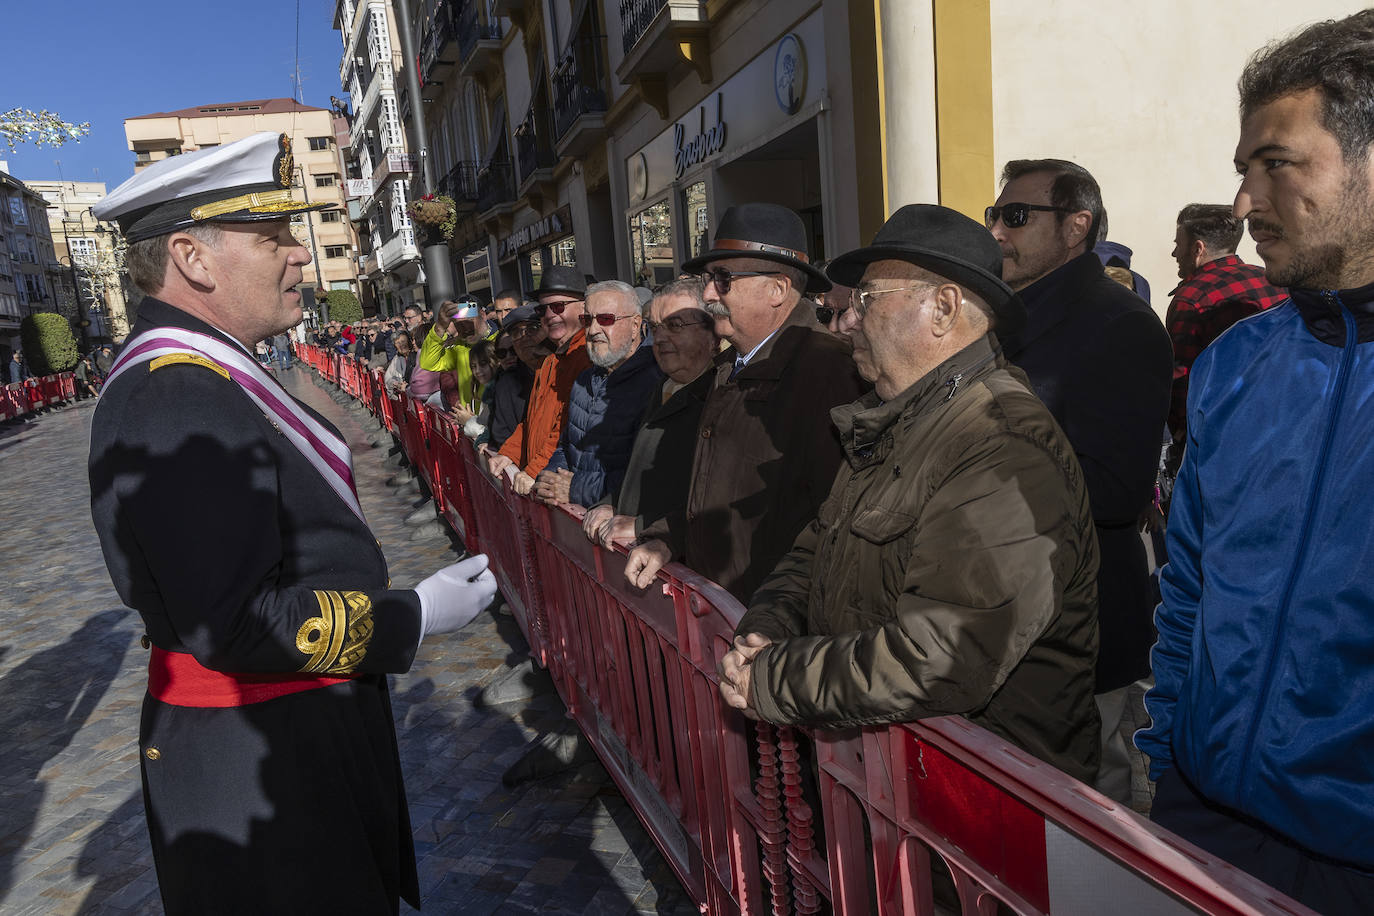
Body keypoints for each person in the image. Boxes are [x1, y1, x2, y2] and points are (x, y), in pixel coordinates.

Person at [86, 131, 498, 915]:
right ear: (192, 258)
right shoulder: (177, 395)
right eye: (271, 238)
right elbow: (238, 622)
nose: (299, 256)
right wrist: (410, 617)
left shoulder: (206, 375)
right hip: (257, 759)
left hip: (288, 732)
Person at [717, 205, 1100, 783]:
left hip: (984, 807)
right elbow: (814, 553)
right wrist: (768, 626)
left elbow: (944, 654)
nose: (845, 322)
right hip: (899, 786)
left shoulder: (1003, 442)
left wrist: (776, 677)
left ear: (943, 308)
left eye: (866, 300)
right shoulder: (890, 423)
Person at [1138, 13, 1374, 913]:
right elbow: (1191, 588)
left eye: (1278, 163)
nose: (1244, 203)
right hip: (1206, 823)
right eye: (1244, 170)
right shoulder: (1239, 360)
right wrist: (1165, 771)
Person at [987, 158, 1171, 804]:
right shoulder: (1004, 318)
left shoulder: (1119, 324)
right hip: (1004, 630)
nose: (998, 232)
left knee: (1090, 839)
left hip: (1079, 636)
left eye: (1015, 216)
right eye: (994, 215)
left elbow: (1115, 491)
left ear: (1076, 226)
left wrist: (971, 483)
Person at [625, 203, 867, 603]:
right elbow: (721, 497)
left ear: (777, 290)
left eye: (723, 279)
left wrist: (779, 622)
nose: (707, 294)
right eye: (708, 279)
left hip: (769, 633)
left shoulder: (828, 372)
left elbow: (834, 524)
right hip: (723, 617)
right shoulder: (728, 366)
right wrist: (668, 538)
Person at [582, 277, 717, 548]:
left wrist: (645, 526)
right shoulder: (663, 388)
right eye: (655, 327)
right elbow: (640, 477)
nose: (661, 337)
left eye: (675, 325)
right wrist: (611, 504)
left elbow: (714, 502)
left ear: (713, 333)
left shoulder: (719, 398)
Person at [536, 281, 664, 508]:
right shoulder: (584, 381)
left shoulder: (656, 386)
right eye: (588, 320)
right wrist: (548, 479)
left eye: (606, 319)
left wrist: (576, 489)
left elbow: (645, 478)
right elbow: (567, 446)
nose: (593, 330)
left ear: (635, 325)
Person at [1165, 203, 1285, 444]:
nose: (1175, 254)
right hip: (1281, 423)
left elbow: (1182, 380)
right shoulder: (1274, 280)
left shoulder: (1191, 298)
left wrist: (1181, 436)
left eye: (1178, 244)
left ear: (1198, 249)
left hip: (1220, 435)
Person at [486, 266, 590, 495]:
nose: (550, 315)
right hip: (543, 480)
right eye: (543, 310)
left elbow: (567, 426)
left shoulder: (587, 356)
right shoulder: (551, 361)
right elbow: (531, 419)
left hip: (560, 484)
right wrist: (509, 453)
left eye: (559, 306)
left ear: (584, 307)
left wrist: (535, 469)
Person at [483, 305, 546, 451]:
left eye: (532, 329)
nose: (524, 337)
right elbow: (501, 435)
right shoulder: (506, 383)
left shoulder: (562, 370)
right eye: (516, 333)